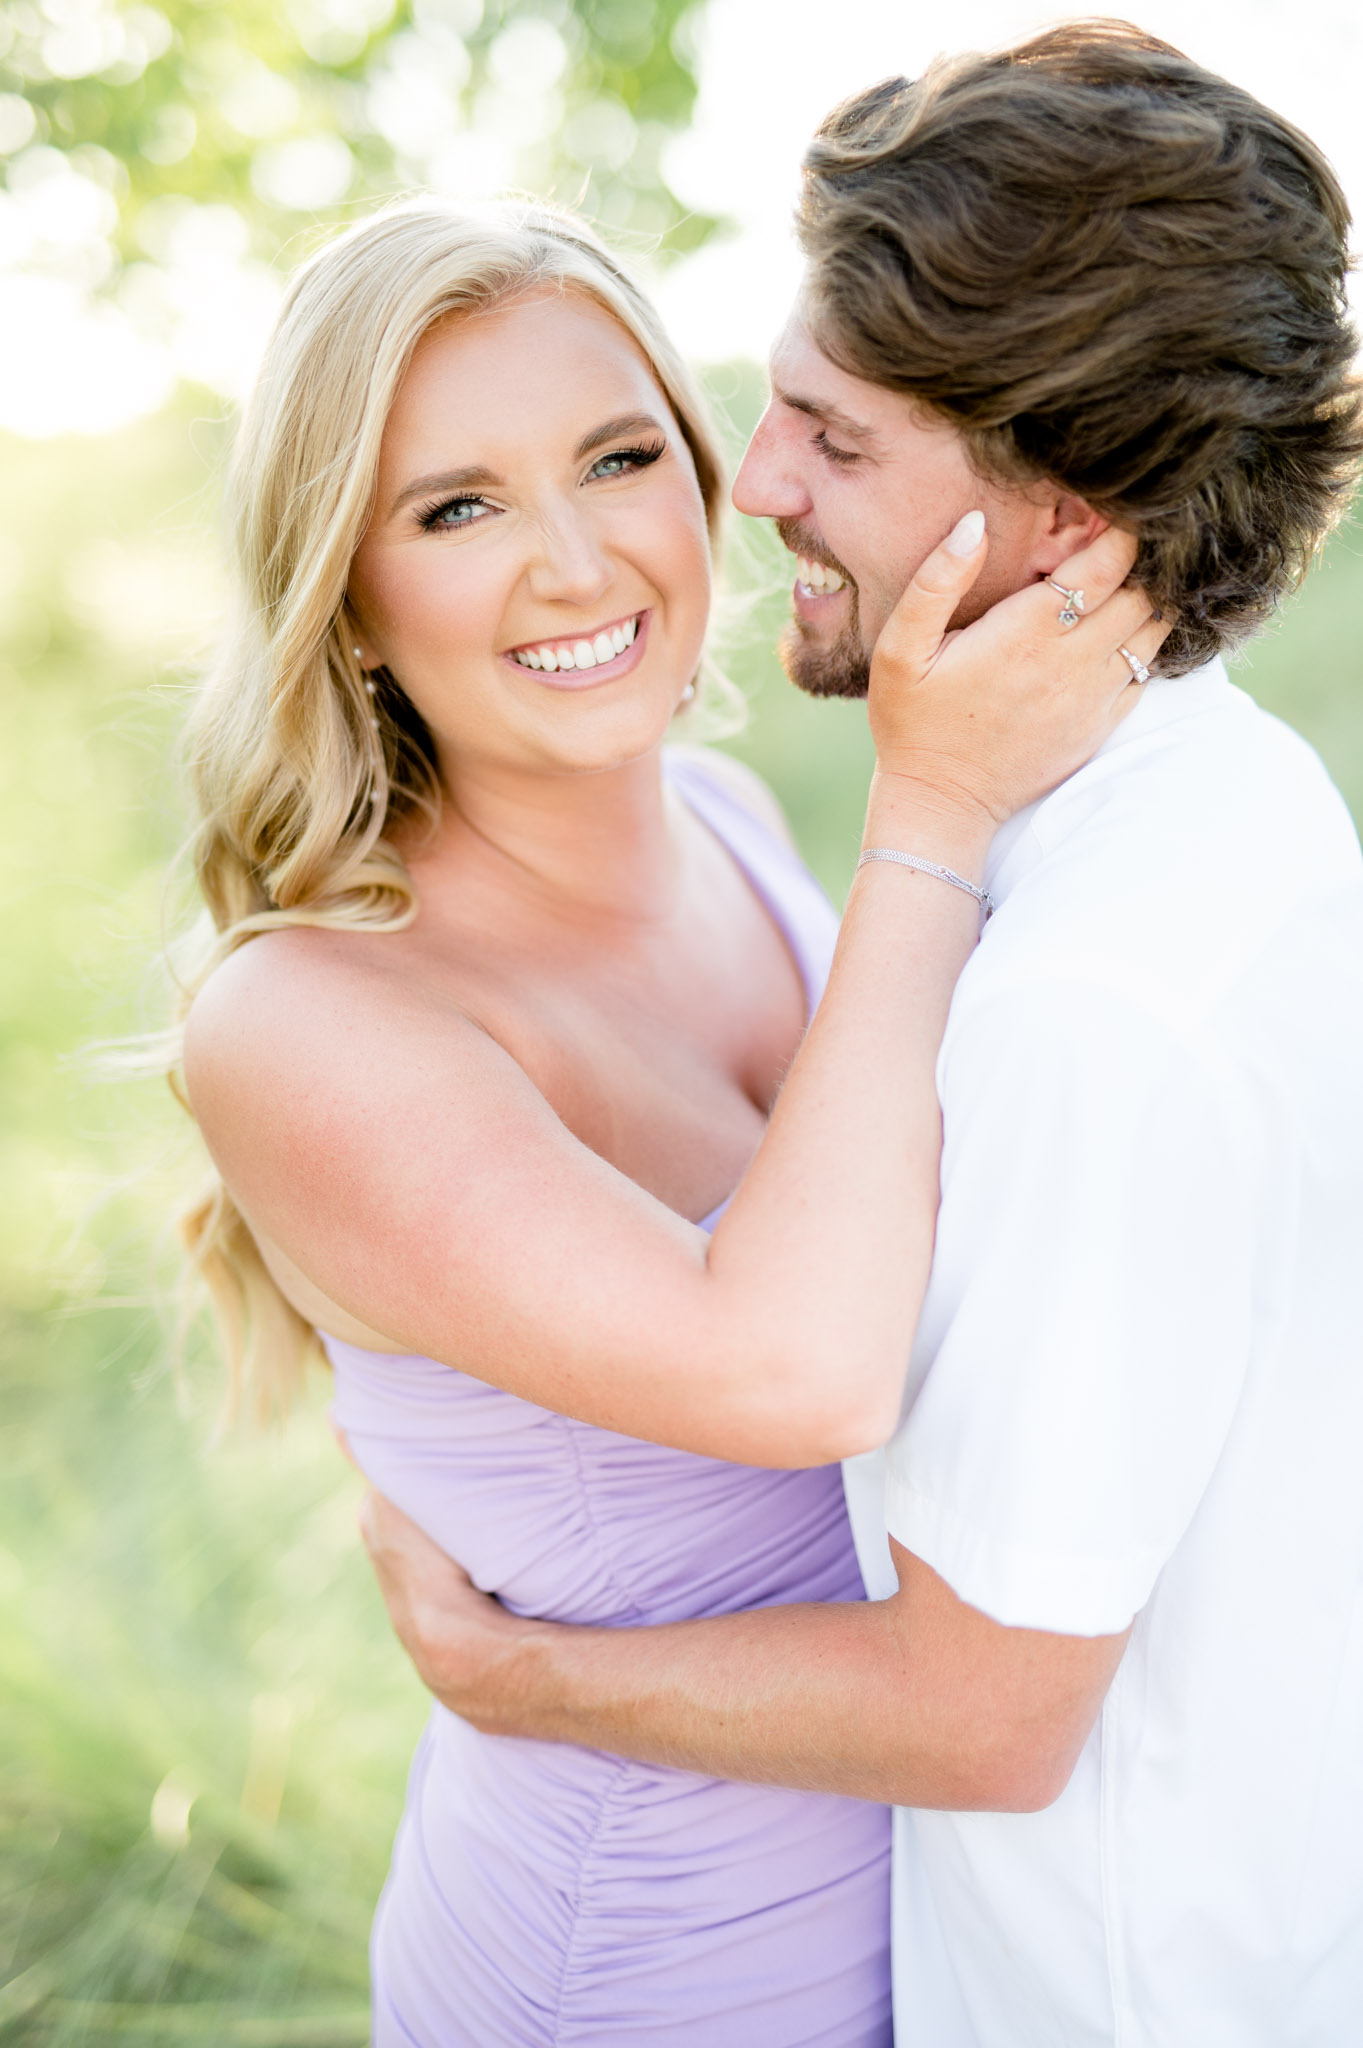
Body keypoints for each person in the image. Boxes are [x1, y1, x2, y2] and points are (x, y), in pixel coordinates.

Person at [356, 25, 1363, 2048]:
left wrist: (519, 1677)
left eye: (831, 433)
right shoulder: (1231, 793)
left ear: (1065, 527)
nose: (759, 487)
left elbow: (987, 1716)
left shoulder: (1084, 1001)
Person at [174, 193, 1148, 2044]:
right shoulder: (306, 1018)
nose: (573, 562)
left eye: (617, 459)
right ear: (350, 598)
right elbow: (796, 1378)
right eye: (456, 508)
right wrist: (931, 812)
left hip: (942, 1924)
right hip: (648, 1960)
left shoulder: (728, 831)